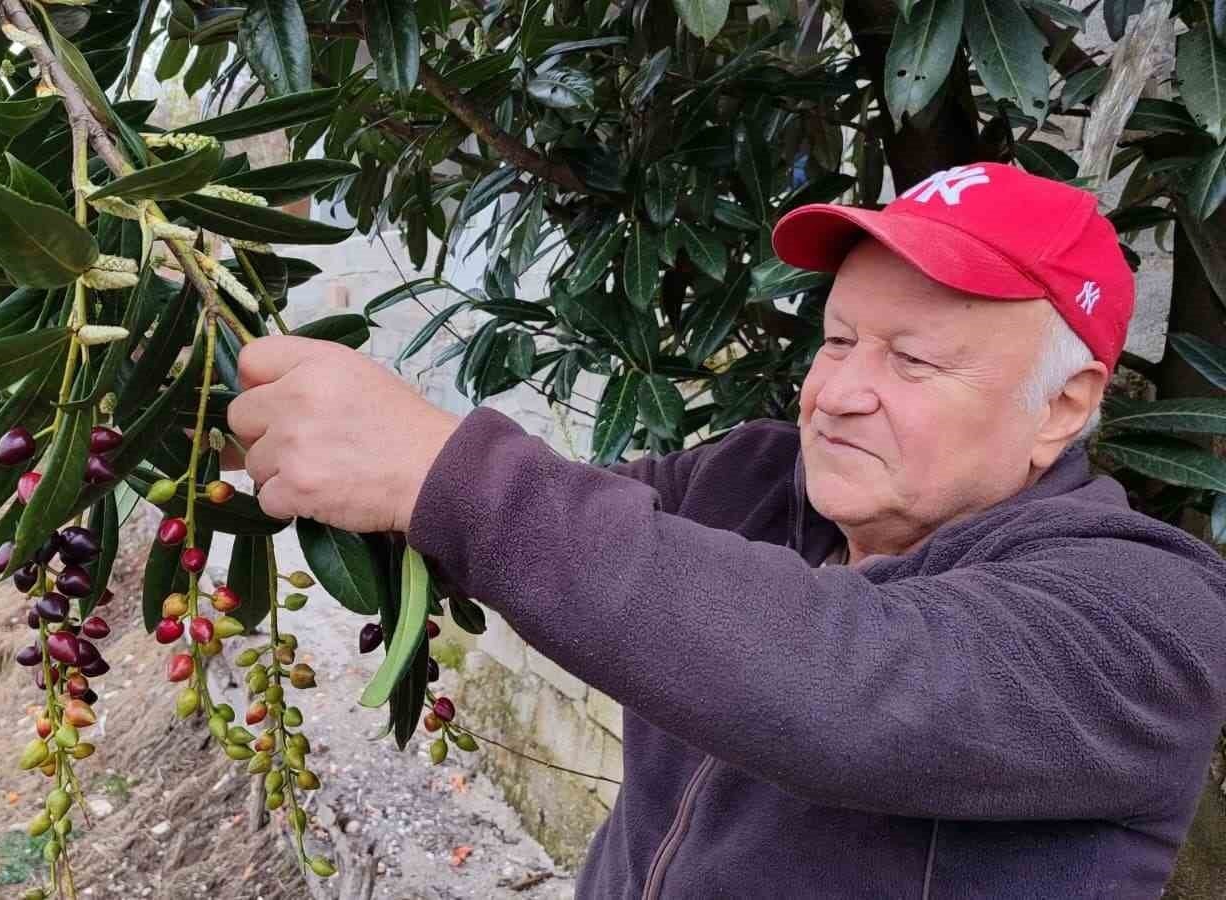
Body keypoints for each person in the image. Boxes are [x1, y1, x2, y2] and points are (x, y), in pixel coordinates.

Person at [224, 162, 1226, 897]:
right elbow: (572, 535)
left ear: (1061, 407)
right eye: (836, 341)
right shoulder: (754, 480)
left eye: (910, 362)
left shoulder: (1143, 622)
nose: (836, 394)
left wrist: (442, 469)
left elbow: (848, 682)